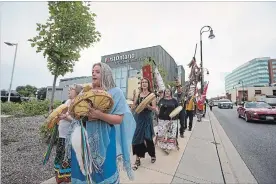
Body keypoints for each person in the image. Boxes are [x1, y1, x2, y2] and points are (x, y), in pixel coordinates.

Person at [62, 62, 136, 184]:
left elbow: (119, 119)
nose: (93, 74)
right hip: (83, 138)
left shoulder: (115, 92)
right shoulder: (86, 93)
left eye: (97, 72)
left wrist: (99, 115)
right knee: (82, 171)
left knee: (104, 173)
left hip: (104, 139)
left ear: (106, 74)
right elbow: (77, 114)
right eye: (92, 72)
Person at [55, 84, 83, 184]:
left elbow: (78, 121)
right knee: (60, 156)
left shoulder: (78, 104)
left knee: (67, 158)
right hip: (62, 135)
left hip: (69, 137)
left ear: (77, 92)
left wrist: (65, 117)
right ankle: (60, 177)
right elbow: (62, 114)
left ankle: (68, 178)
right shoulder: (67, 102)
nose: (69, 91)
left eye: (71, 90)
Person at [132, 78, 157, 170]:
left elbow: (154, 108)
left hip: (147, 118)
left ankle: (152, 154)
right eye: (142, 82)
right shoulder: (138, 95)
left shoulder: (152, 95)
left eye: (146, 82)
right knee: (137, 139)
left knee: (148, 138)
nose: (144, 84)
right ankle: (137, 159)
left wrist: (147, 106)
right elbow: (134, 106)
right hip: (138, 118)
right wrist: (133, 105)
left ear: (148, 84)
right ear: (141, 84)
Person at [156, 89, 179, 154]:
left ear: (171, 92)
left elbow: (178, 109)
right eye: (166, 91)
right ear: (164, 93)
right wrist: (157, 111)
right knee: (162, 133)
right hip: (162, 120)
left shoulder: (174, 100)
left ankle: (169, 147)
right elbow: (158, 108)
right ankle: (163, 146)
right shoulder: (161, 100)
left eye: (168, 91)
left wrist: (175, 116)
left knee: (171, 134)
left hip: (172, 120)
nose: (167, 92)